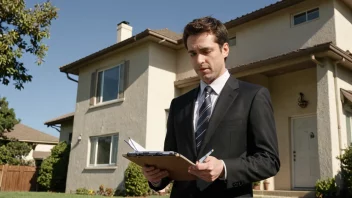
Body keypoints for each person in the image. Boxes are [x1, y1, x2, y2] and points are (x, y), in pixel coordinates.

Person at [142, 16, 280, 198]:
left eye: (206, 51)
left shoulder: (253, 96)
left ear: (225, 49)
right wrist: (156, 178)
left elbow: (269, 161)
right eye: (192, 53)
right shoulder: (179, 105)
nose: (199, 60)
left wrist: (223, 168)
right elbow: (173, 162)